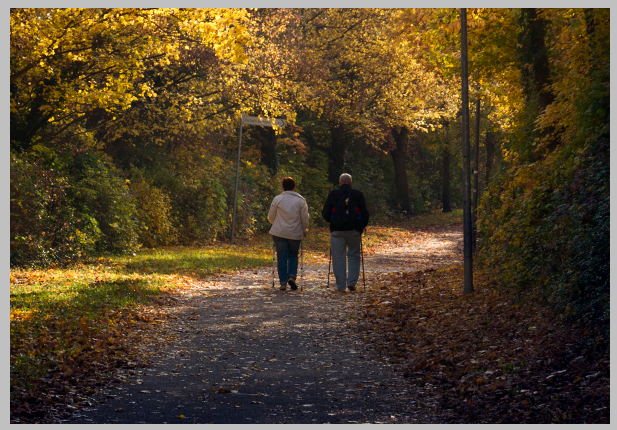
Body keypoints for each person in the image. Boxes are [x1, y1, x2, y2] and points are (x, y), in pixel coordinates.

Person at [321, 173, 369, 292]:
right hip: (354, 229)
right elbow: (365, 213)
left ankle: (341, 286)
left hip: (337, 230)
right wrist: (361, 226)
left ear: (340, 183)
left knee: (338, 257)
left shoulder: (333, 194)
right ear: (351, 183)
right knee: (354, 255)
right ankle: (352, 282)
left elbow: (325, 213)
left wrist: (332, 222)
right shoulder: (358, 194)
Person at [267, 177, 309, 291]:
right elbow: (304, 218)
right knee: (293, 255)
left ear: (283, 187)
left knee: (281, 256)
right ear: (294, 187)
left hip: (279, 232)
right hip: (295, 233)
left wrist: (274, 223)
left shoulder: (277, 199)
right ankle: (292, 276)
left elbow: (271, 217)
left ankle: (283, 283)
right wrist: (304, 229)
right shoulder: (301, 201)